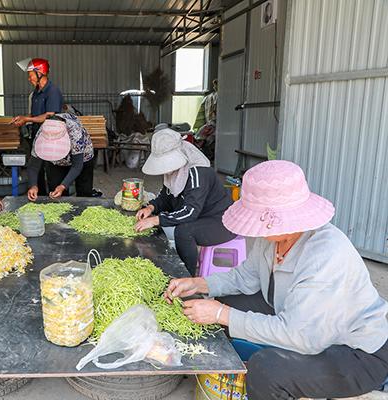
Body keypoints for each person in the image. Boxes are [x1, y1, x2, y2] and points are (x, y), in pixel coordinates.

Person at [164, 160, 388, 399]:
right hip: (299, 319)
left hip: (356, 351)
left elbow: (302, 337)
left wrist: (222, 314)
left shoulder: (326, 254)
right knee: (226, 304)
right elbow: (246, 277)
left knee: (266, 370)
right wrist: (199, 284)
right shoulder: (272, 237)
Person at [135, 128, 235, 275]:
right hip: (202, 216)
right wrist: (151, 208)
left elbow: (190, 212)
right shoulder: (174, 174)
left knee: (184, 231)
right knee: (172, 223)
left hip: (221, 221)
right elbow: (167, 197)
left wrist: (156, 220)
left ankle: (186, 276)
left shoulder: (197, 172)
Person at [11, 58, 63, 195]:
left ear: (40, 73)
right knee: (37, 171)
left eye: (30, 75)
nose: (29, 79)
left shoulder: (52, 91)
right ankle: (39, 198)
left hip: (52, 140)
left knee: (53, 172)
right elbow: (34, 114)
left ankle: (56, 200)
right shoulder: (35, 93)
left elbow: (49, 115)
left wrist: (27, 119)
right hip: (37, 137)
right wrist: (23, 119)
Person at [26, 114, 99, 201]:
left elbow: (77, 166)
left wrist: (63, 186)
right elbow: (33, 166)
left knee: (84, 193)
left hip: (83, 158)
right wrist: (33, 186)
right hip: (56, 163)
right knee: (55, 193)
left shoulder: (75, 133)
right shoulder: (41, 134)